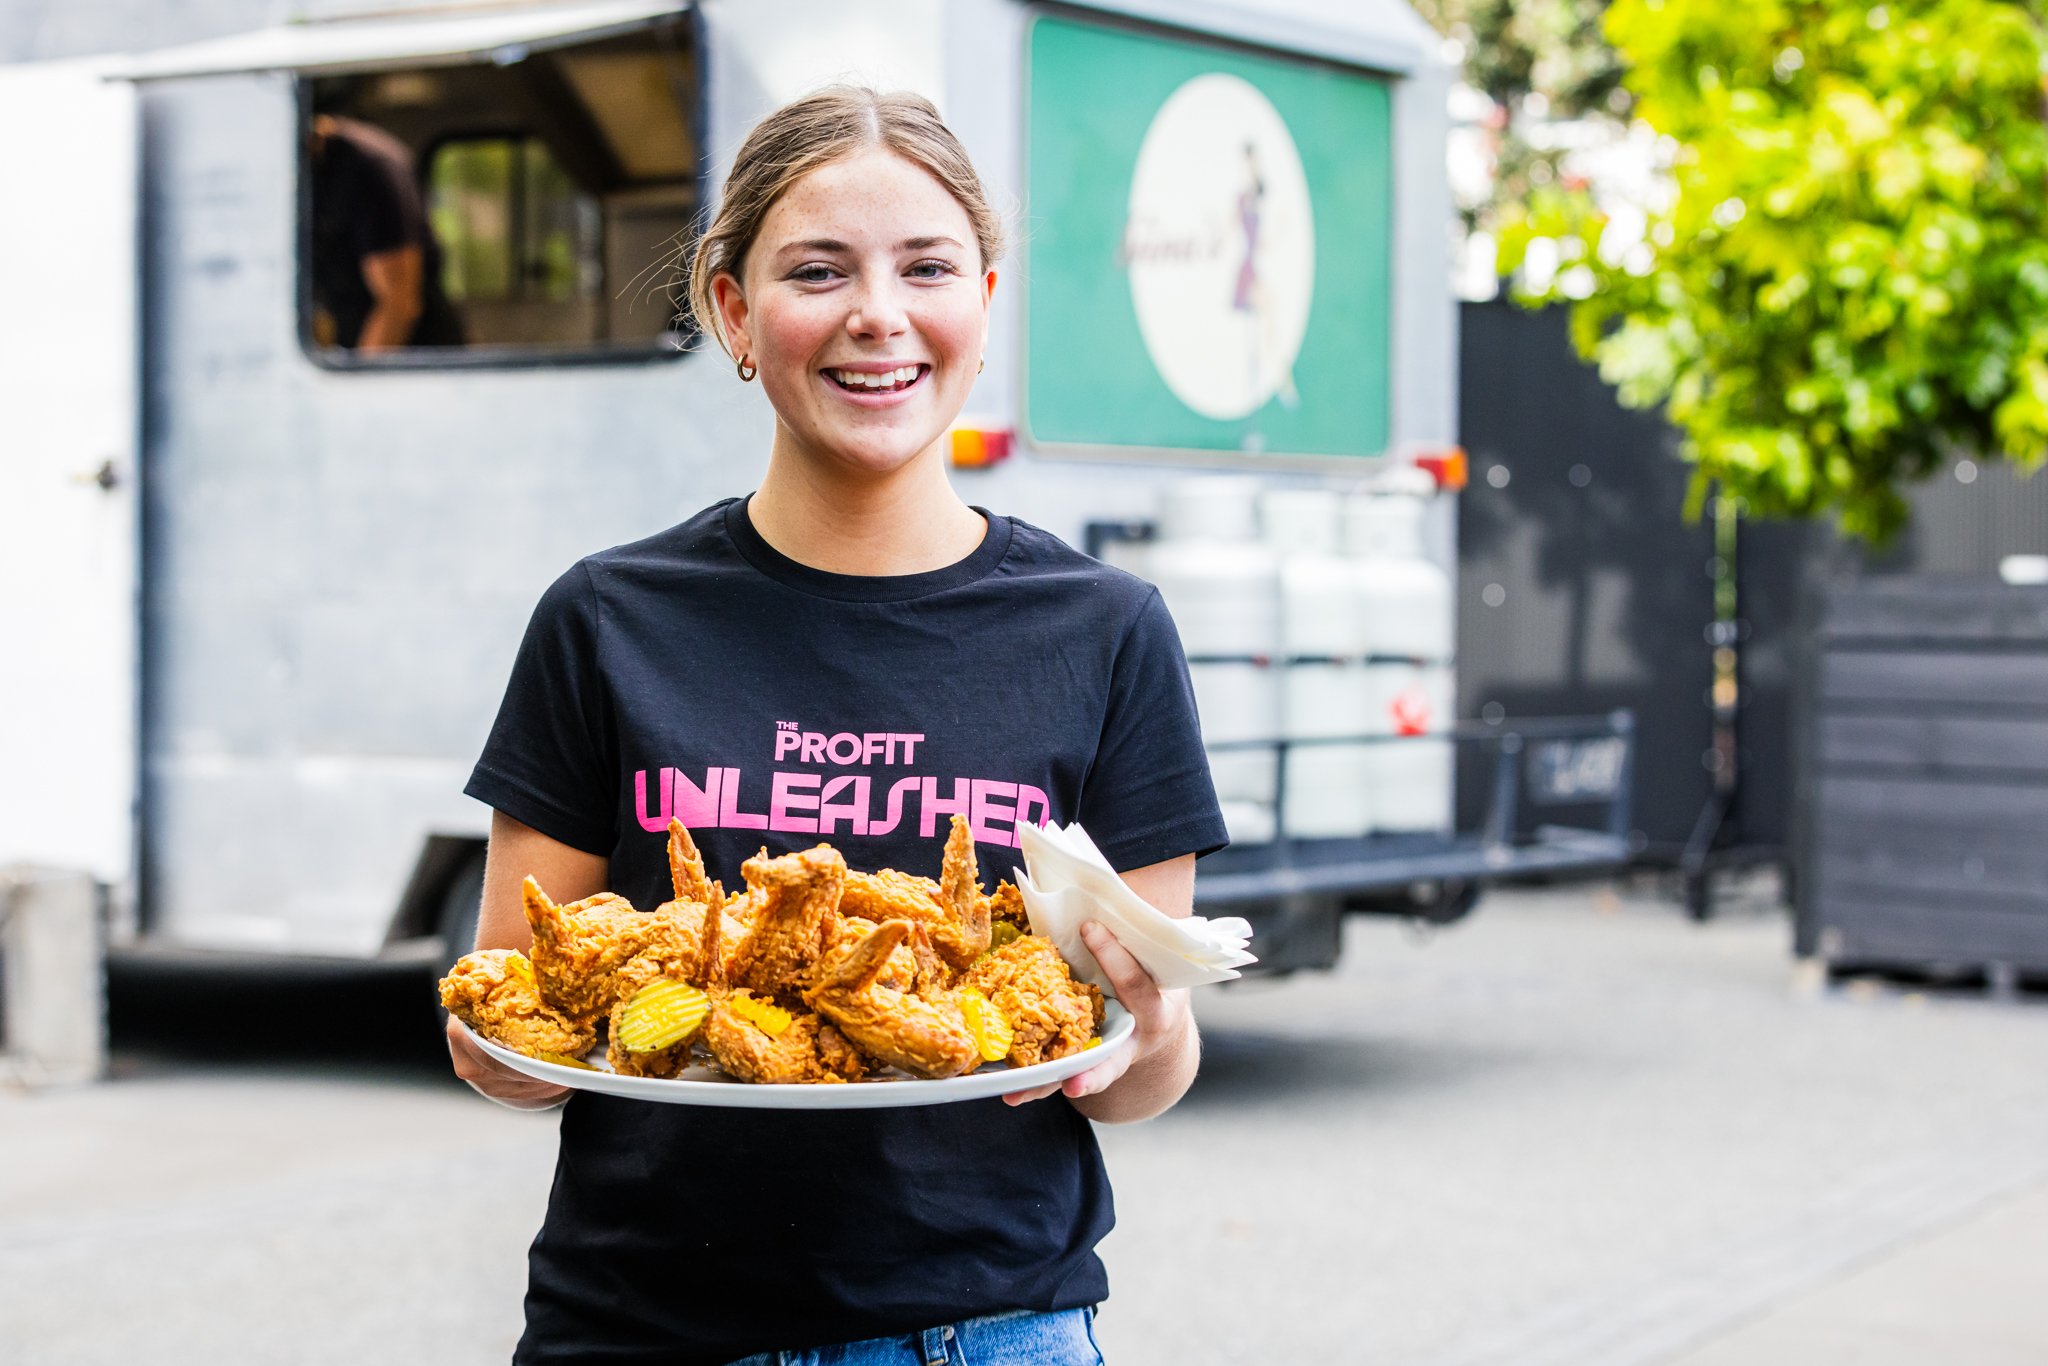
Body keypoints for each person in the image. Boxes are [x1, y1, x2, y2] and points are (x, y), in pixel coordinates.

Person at [444, 85, 1227, 1366]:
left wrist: (1146, 1026)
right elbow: (506, 1016)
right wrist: (522, 1047)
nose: (878, 313)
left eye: (925, 268)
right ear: (735, 311)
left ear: (981, 300)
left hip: (984, 1330)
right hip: (640, 1329)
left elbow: (1143, 1071)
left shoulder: (1105, 630)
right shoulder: (605, 618)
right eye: (818, 270)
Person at [308, 113, 465, 353]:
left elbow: (398, 304)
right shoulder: (306, 174)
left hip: (413, 361)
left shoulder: (367, 165)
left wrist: (355, 386)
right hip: (357, 346)